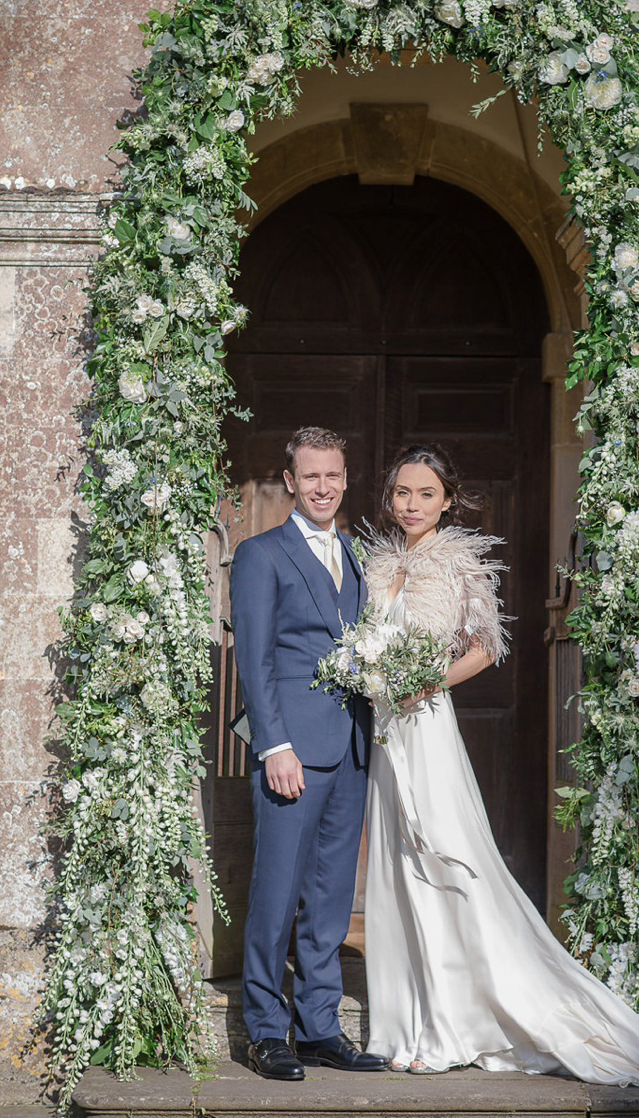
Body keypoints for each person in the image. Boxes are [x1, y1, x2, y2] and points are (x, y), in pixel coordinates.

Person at [361, 442, 639, 1089]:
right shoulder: (378, 558)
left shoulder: (460, 558)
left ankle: (449, 1027)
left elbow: (484, 646)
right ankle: (403, 1024)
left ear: (447, 499)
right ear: (389, 498)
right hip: (387, 730)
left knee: (444, 858)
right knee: (398, 866)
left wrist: (427, 682)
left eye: (424, 493)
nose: (410, 504)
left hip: (425, 723)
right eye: (401, 493)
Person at [229, 426, 388, 1080]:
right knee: (276, 893)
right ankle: (266, 1030)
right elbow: (255, 657)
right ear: (289, 481)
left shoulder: (353, 552)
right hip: (291, 751)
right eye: (310, 475)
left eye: (333, 475)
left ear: (344, 479)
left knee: (328, 897)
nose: (323, 486)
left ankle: (320, 1025)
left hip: (349, 745)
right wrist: (274, 745)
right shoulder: (260, 553)